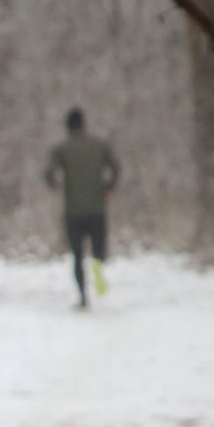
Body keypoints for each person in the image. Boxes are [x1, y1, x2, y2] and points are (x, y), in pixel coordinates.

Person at [45, 107, 119, 309]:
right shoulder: (99, 145)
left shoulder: (62, 149)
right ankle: (98, 274)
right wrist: (108, 188)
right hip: (97, 208)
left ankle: (83, 296)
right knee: (97, 249)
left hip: (73, 211)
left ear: (68, 126)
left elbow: (49, 174)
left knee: (77, 254)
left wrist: (57, 185)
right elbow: (115, 168)